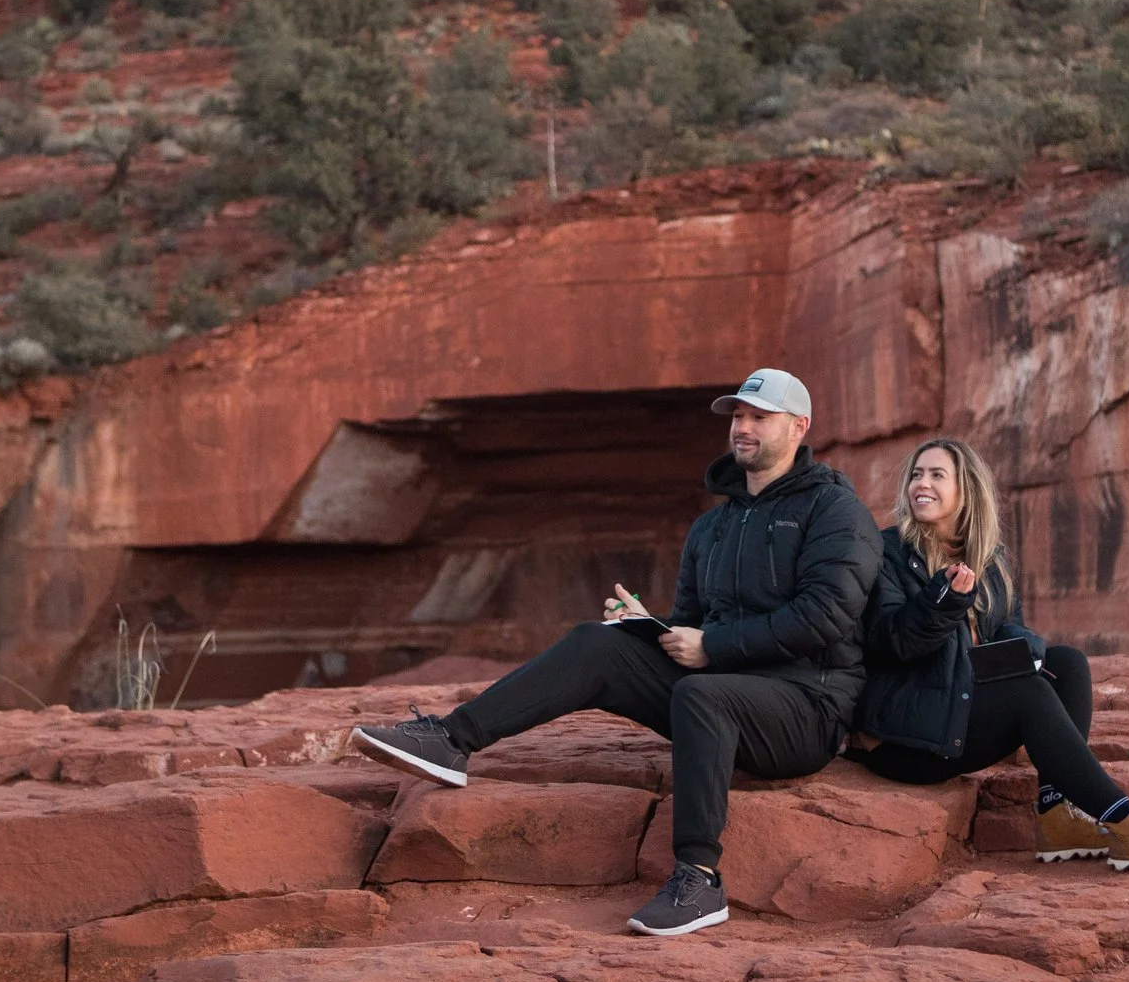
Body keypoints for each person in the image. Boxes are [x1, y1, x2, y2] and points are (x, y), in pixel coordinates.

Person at [352, 367, 882, 937]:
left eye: (759, 417)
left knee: (705, 693)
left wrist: (714, 646)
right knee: (596, 643)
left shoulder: (834, 511)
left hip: (806, 709)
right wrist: (649, 627)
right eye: (737, 416)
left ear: (798, 427)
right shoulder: (713, 526)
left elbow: (827, 614)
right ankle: (450, 740)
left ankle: (699, 878)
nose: (743, 428)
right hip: (723, 684)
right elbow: (694, 625)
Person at [849, 437, 1129, 870]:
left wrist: (1026, 649)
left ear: (966, 490)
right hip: (905, 735)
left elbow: (1013, 624)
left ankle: (1056, 812)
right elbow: (893, 642)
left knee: (1069, 664)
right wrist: (944, 599)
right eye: (916, 474)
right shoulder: (889, 553)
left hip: (954, 701)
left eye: (936, 475)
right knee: (1030, 695)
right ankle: (1126, 822)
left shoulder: (990, 559)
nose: (921, 484)